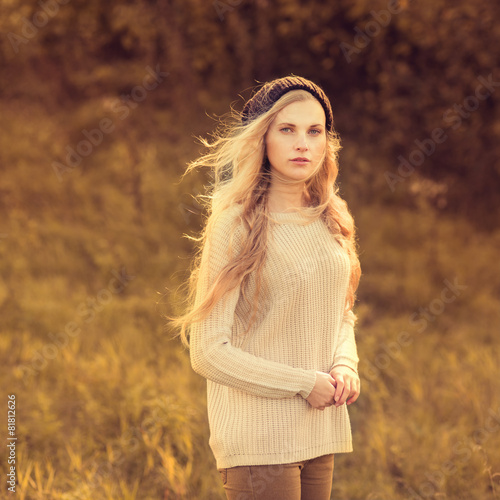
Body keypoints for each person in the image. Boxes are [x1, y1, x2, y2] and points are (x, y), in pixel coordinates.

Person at [170, 75, 362, 500]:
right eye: (287, 129)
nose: (303, 144)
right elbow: (207, 352)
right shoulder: (234, 224)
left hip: (320, 430)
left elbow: (340, 313)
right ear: (262, 138)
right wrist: (301, 382)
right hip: (259, 439)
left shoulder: (332, 218)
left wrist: (345, 364)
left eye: (314, 132)